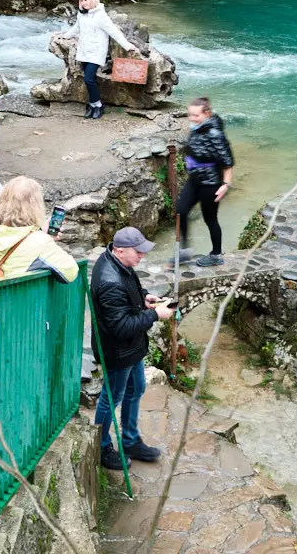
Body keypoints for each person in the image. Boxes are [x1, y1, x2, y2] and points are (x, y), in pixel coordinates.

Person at [90, 227, 172, 469]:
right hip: (117, 350)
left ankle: (130, 441)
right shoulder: (109, 281)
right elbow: (121, 327)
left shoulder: (118, 263)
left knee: (136, 388)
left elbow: (130, 291)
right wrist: (156, 314)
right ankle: (102, 447)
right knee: (111, 397)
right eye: (138, 252)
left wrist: (144, 297)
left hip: (131, 347)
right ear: (120, 250)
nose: (141, 257)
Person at [0, 176, 77, 282]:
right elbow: (71, 272)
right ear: (36, 206)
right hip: (18, 297)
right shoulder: (40, 241)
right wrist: (46, 239)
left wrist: (40, 232)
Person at [177, 97, 235, 267]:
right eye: (190, 115)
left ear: (207, 114)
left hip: (211, 183)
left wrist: (226, 185)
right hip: (194, 179)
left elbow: (227, 162)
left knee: (210, 219)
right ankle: (184, 252)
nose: (192, 119)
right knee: (180, 211)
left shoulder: (215, 134)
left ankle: (216, 255)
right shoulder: (197, 128)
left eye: (196, 115)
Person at [72, 0, 136, 120]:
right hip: (84, 51)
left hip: (96, 52)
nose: (84, 3)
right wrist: (64, 35)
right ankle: (92, 105)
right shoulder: (81, 14)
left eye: (86, 0)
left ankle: (98, 105)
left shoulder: (101, 15)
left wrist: (127, 45)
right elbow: (76, 28)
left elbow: (114, 32)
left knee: (88, 79)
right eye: (82, 1)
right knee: (90, 80)